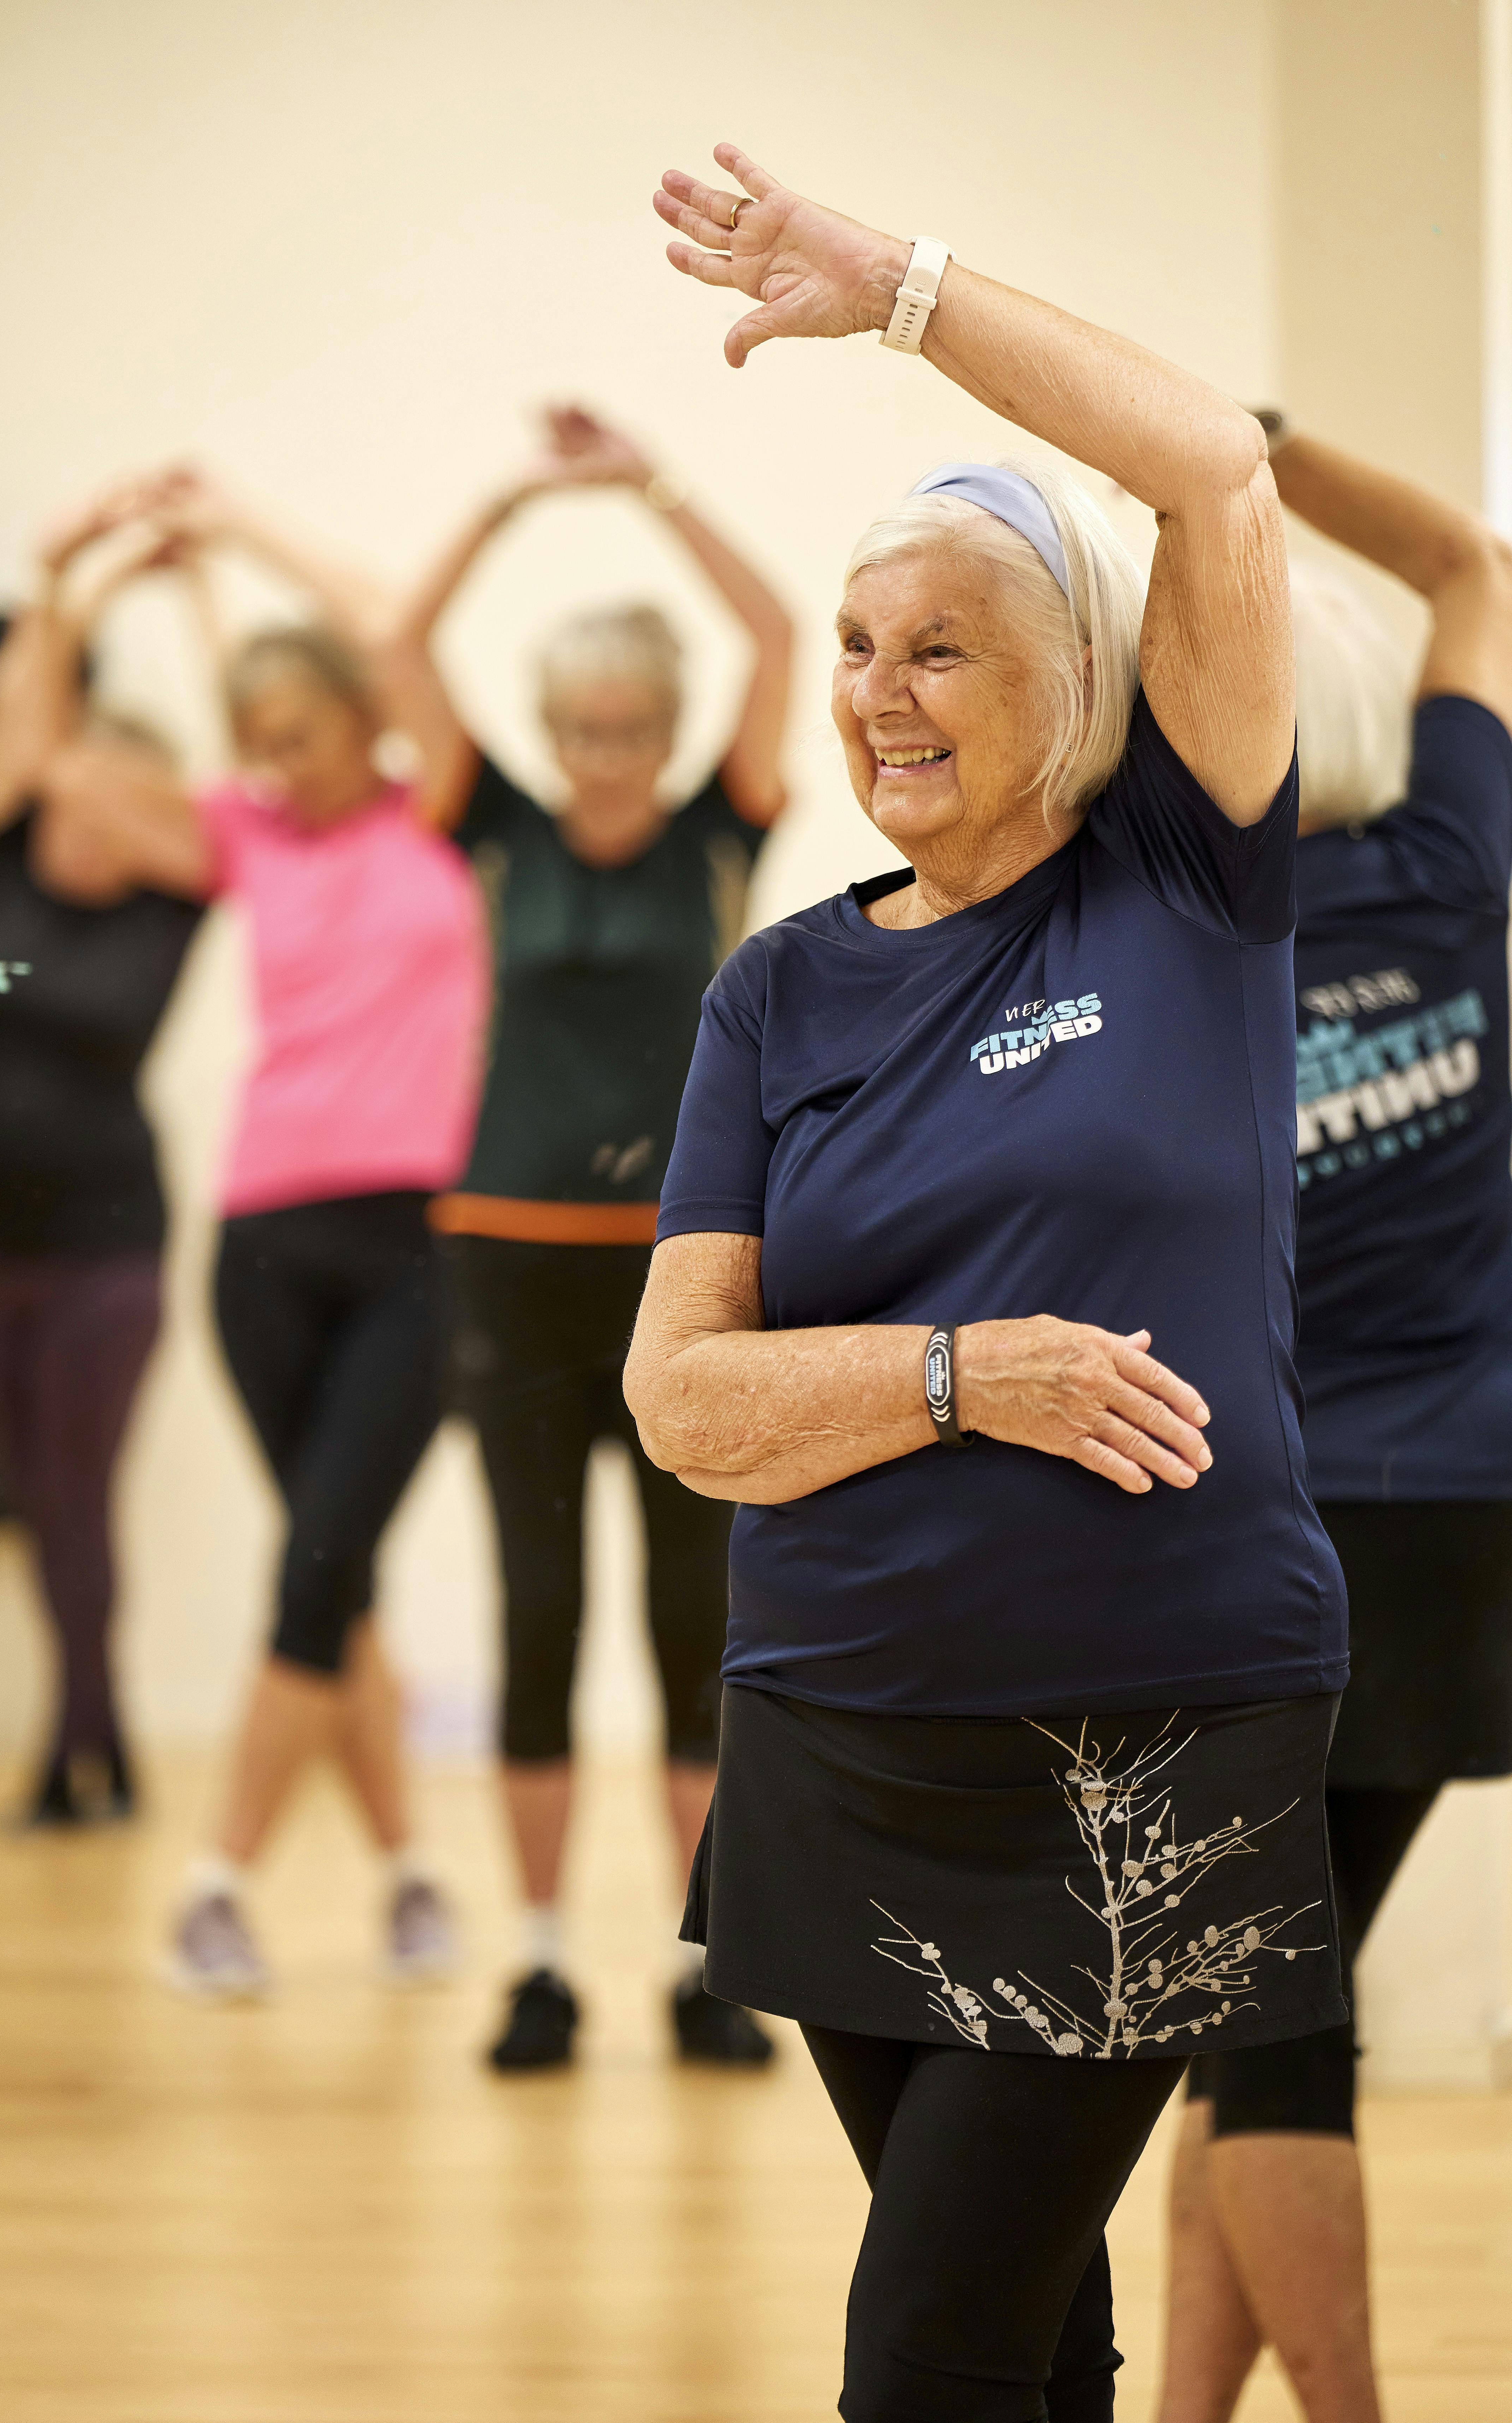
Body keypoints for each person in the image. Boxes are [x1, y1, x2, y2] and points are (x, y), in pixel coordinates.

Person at [624, 145, 1350, 2421]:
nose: (881, 695)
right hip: (839, 1737)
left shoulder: (1186, 882)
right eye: (856, 646)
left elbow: (1215, 470)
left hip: (1159, 1726)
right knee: (1035, 2334)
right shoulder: (779, 993)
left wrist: (903, 290)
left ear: (1081, 672)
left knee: (925, 2344)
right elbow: (682, 1398)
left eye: (943, 643)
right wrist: (959, 1372)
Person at [1155, 425, 1512, 2423]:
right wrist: (1261, 446)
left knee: (1271, 2016)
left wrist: (1194, 482)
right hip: (1471, 1515)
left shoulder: (1197, 932)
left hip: (1287, 1543)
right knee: (1246, 2006)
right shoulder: (1456, 877)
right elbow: (1475, 567)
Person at [375, 403, 794, 2068]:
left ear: (669, 726)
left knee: (694, 1620)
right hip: (512, 1256)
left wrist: (654, 488)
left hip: (688, 1270)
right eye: (583, 726)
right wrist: (513, 500)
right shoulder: (492, 827)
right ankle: (541, 1962)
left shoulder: (723, 829)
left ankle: (706, 1968)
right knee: (539, 1608)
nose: (609, 752)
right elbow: (398, 639)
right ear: (549, 728)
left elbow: (771, 630)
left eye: (634, 724)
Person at [140, 471, 492, 1997]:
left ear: (364, 721)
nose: (275, 767)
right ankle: (413, 1878)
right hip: (259, 1246)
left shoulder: (442, 804)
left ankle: (215, 1882)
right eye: (257, 745)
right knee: (328, 1571)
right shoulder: (250, 832)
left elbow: (380, 622)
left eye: (299, 736)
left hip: (418, 1240)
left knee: (318, 1557)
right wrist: (184, 590)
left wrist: (236, 528)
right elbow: (242, 696)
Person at [0, 480, 207, 1825]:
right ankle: (96, 1742)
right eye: (63, 788)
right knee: (41, 1504)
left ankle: (75, 1757)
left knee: (75, 1497)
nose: (72, 810)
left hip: (106, 1251)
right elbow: (13, 713)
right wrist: (73, 582)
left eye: (104, 795)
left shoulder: (167, 906)